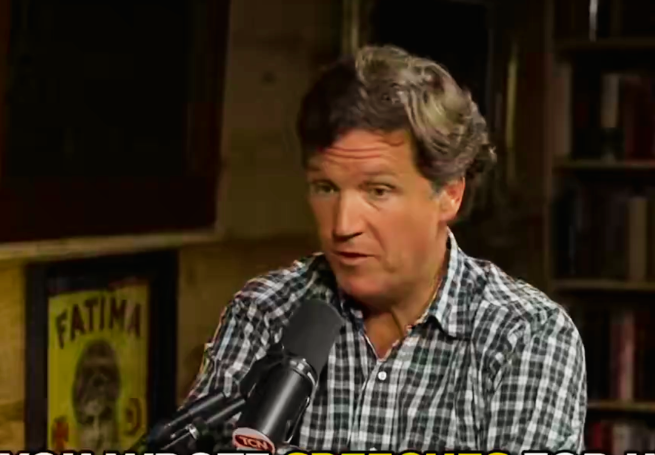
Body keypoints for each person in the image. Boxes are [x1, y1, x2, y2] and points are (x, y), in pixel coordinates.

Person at [186, 45, 587, 452]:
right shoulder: (265, 312)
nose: (343, 226)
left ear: (449, 194)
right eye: (326, 188)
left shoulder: (527, 335)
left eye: (378, 191)